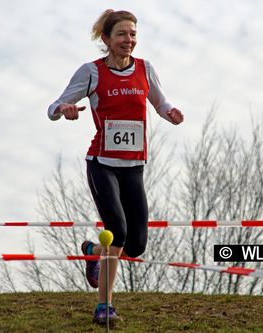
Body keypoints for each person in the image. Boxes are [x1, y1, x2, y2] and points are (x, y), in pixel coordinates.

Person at [47, 9, 184, 326]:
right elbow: (53, 107)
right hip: (102, 165)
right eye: (122, 34)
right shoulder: (91, 72)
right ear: (107, 39)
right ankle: (103, 306)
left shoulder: (145, 69)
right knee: (118, 233)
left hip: (134, 167)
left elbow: (160, 104)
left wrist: (171, 113)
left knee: (135, 245)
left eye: (133, 34)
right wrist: (63, 109)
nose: (129, 40)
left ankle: (92, 250)